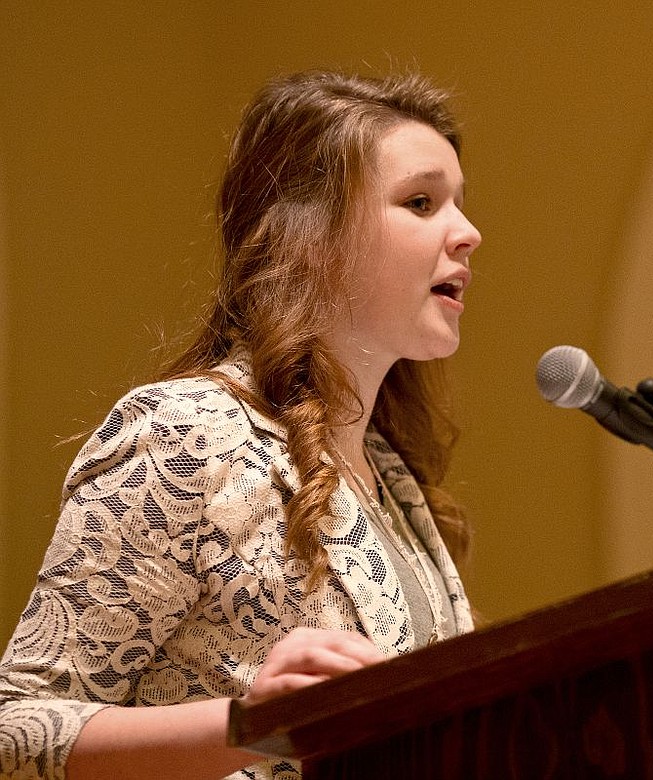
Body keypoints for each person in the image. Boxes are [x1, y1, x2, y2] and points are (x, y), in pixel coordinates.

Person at [0, 68, 481, 780]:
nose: (468, 233)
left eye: (460, 204)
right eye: (420, 201)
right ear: (310, 236)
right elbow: (15, 729)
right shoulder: (186, 435)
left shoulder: (390, 477)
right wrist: (248, 724)